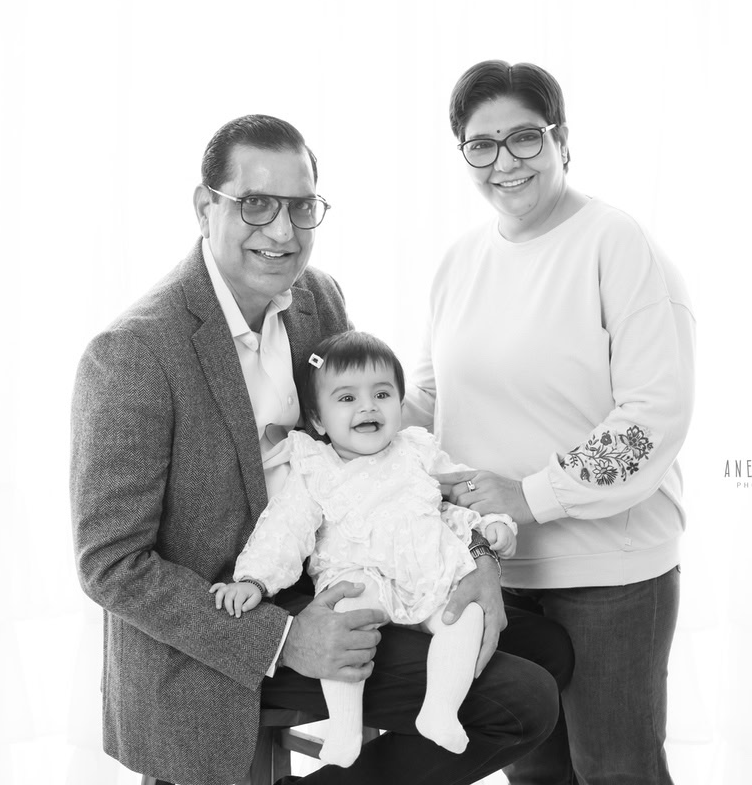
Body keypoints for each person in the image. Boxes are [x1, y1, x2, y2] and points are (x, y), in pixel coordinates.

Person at [70, 113, 566, 785]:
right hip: (221, 635)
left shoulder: (316, 299)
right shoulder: (133, 354)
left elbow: (386, 456)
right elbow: (110, 565)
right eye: (256, 204)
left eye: (301, 207)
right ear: (205, 208)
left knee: (550, 648)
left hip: (345, 578)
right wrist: (282, 638)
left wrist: (477, 558)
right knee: (521, 700)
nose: (282, 231)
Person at [406, 61, 696, 785]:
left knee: (615, 770)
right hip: (494, 568)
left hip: (608, 572)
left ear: (562, 140)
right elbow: (432, 401)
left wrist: (528, 496)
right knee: (533, 772)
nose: (505, 160)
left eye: (525, 137)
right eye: (482, 144)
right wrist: (341, 426)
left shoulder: (615, 244)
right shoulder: (459, 262)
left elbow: (652, 417)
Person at [211, 331, 518, 768]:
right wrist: (254, 580)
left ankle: (440, 709)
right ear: (318, 420)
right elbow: (284, 528)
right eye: (347, 398)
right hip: (360, 581)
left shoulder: (417, 451)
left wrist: (493, 523)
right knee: (344, 619)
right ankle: (344, 727)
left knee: (466, 615)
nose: (368, 407)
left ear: (400, 403)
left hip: (427, 573)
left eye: (382, 394)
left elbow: (463, 489)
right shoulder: (316, 469)